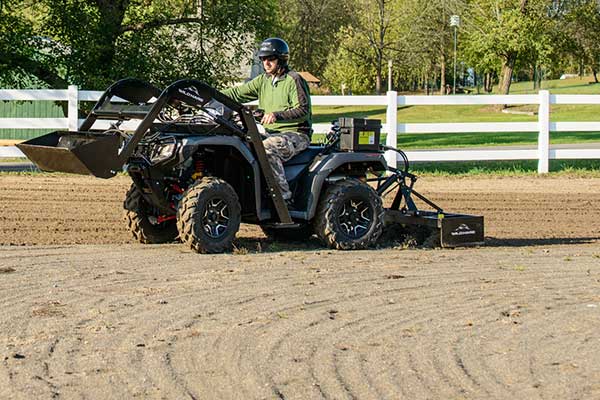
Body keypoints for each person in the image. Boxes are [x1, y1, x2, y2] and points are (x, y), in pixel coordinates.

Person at [223, 37, 312, 206]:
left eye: (270, 59)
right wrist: (209, 94)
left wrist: (276, 115)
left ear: (282, 59)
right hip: (269, 132)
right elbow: (236, 94)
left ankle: (283, 199)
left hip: (296, 134)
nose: (266, 63)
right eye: (263, 59)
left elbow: (303, 110)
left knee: (268, 148)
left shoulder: (294, 79)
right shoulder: (263, 80)